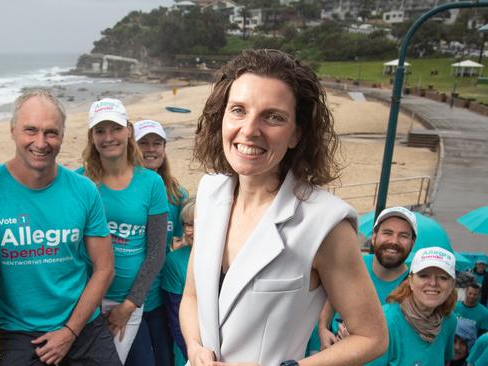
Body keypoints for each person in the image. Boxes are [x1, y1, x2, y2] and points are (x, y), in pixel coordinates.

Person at [179, 49, 387, 365]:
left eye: (273, 116)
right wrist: (195, 349)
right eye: (238, 110)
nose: (249, 130)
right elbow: (192, 297)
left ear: (297, 133)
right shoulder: (210, 192)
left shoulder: (325, 225)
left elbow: (372, 337)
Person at [0, 88, 120, 366]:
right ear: (13, 130)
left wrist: (69, 331)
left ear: (62, 136)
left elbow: (104, 268)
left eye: (51, 132)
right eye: (31, 130)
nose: (41, 142)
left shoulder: (84, 190)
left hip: (83, 325)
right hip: (21, 333)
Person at [79, 98, 168, 364]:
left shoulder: (151, 183)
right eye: (100, 130)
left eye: (115, 128)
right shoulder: (81, 182)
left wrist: (129, 305)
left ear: (128, 130)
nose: (108, 137)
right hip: (87, 302)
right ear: (92, 137)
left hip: (129, 303)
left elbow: (155, 253)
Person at [125, 119, 188, 366]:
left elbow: (183, 241)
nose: (151, 149)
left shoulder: (176, 194)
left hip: (162, 295)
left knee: (165, 359)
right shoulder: (123, 190)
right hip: (128, 296)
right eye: (144, 143)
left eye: (157, 143)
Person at [319, 206, 417, 348]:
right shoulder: (355, 262)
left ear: (412, 243)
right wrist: (323, 329)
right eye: (387, 233)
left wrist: (358, 340)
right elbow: (331, 299)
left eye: (403, 236)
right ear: (374, 237)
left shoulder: (414, 285)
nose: (394, 241)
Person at [368, 247, 458, 366]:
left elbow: (446, 360)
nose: (433, 283)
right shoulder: (386, 322)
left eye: (443, 277)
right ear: (410, 281)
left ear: (452, 285)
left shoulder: (449, 320)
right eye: (424, 275)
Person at [162, 198, 196, 366]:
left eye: (196, 224)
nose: (190, 231)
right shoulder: (174, 261)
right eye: (186, 225)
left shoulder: (226, 257)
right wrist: (190, 353)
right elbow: (174, 315)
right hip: (188, 345)